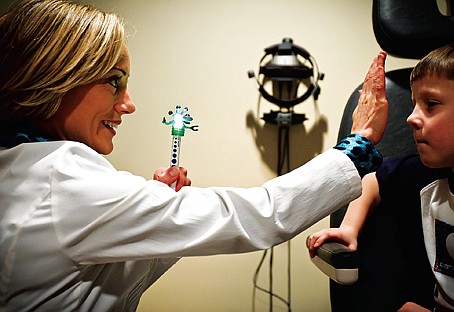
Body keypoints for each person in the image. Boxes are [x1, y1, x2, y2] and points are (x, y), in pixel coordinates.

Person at [0, 0, 389, 311]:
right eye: (113, 82)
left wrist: (150, 215)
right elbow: (259, 214)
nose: (129, 104)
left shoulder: (21, 167)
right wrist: (359, 145)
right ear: (54, 76)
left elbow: (94, 285)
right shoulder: (62, 176)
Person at [307, 41, 454, 312]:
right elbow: (373, 180)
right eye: (414, 105)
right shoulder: (425, 174)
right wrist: (349, 228)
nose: (410, 118)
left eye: (430, 105)